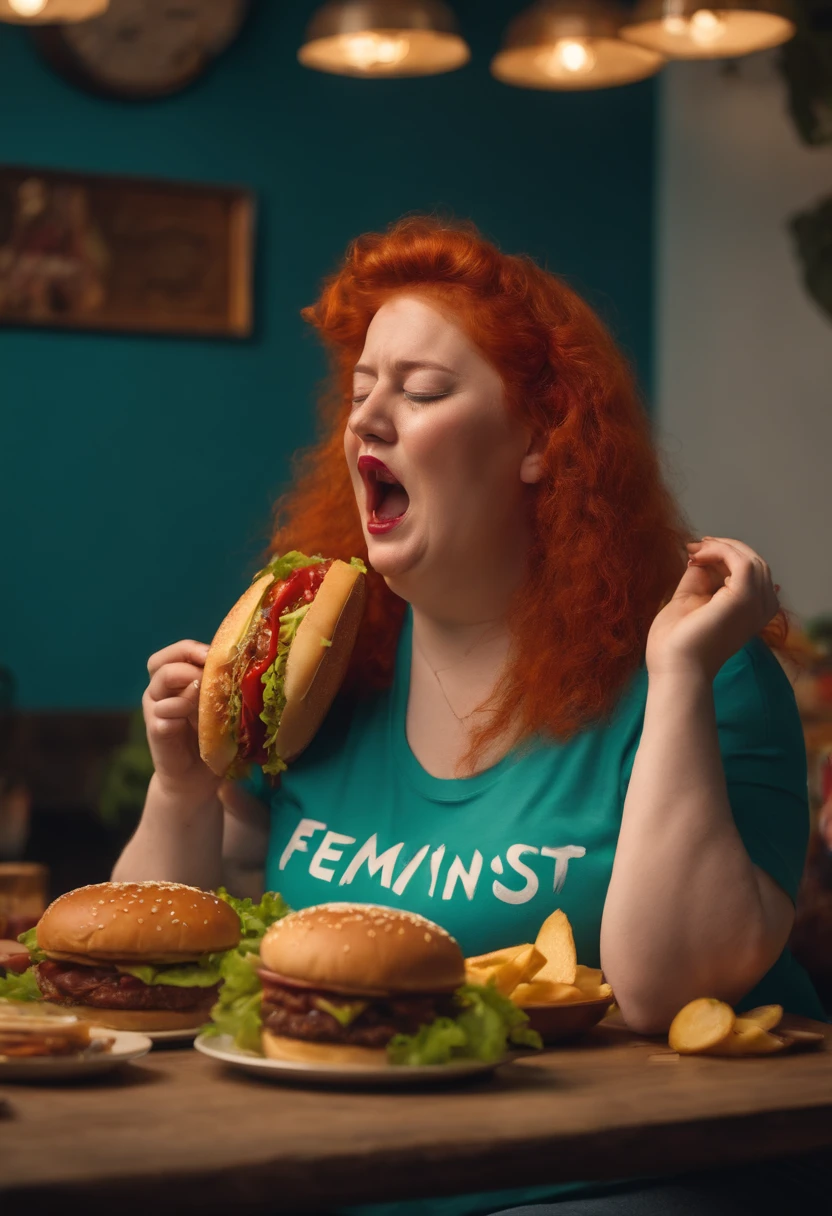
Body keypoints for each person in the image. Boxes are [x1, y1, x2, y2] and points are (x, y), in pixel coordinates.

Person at [113, 216, 826, 1215]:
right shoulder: (321, 680)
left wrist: (675, 680)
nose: (366, 419)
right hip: (340, 1164)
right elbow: (152, 979)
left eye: (421, 390)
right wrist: (183, 779)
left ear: (540, 440)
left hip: (616, 1176)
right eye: (361, 391)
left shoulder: (704, 677)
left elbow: (669, 992)